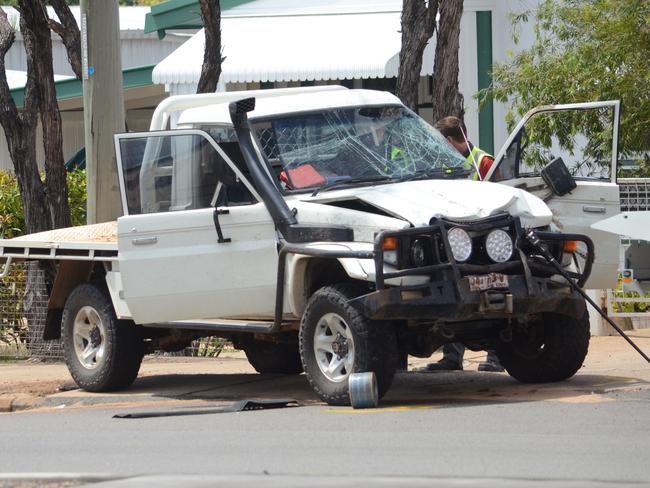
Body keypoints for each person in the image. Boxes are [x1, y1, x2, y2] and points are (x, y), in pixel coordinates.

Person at [421, 116, 504, 373]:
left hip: (486, 242)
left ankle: (497, 356)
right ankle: (452, 357)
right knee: (454, 296)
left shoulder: (484, 162)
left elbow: (501, 198)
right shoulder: (444, 162)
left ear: (448, 141)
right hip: (456, 240)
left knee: (495, 296)